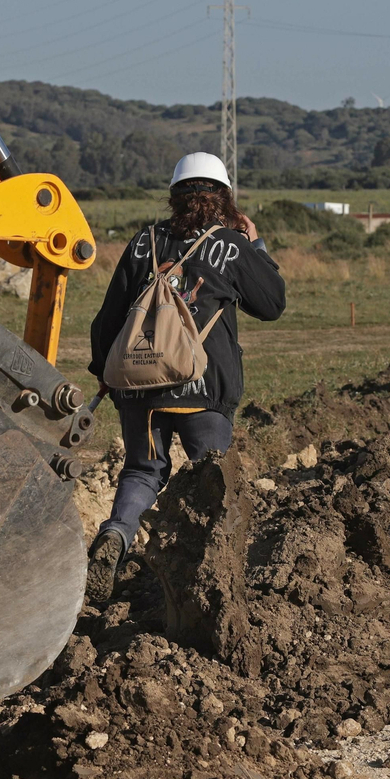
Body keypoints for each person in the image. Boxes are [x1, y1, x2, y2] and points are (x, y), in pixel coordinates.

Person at [85, 152, 286, 601]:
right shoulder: (231, 245)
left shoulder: (143, 243)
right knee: (212, 478)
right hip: (204, 390)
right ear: (224, 197)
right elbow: (271, 304)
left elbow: (107, 320)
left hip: (140, 388)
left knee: (141, 470)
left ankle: (116, 534)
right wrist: (256, 245)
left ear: (174, 197)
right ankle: (206, 577)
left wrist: (107, 374)